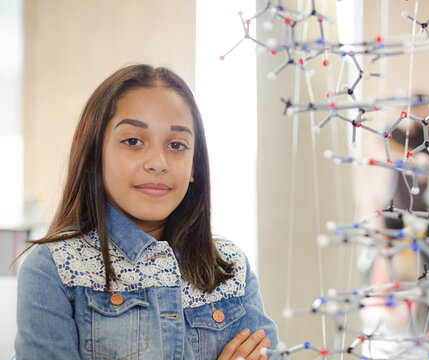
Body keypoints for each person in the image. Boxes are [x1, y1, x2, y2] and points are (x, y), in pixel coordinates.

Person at [14, 64, 278, 359]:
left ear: (195, 166)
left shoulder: (230, 267)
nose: (157, 162)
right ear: (93, 156)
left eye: (177, 144)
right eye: (132, 141)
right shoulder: (52, 269)